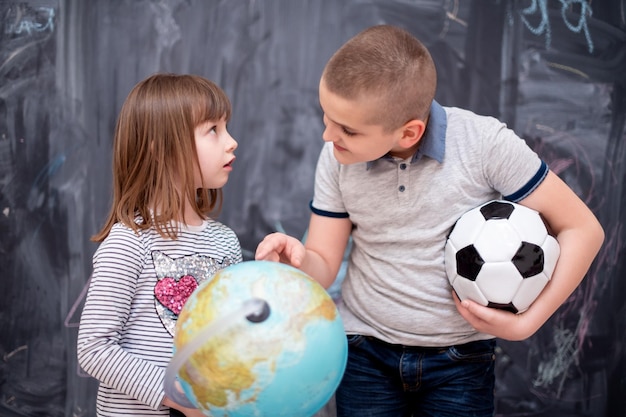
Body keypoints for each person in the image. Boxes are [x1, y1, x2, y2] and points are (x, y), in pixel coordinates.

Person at [255, 25, 605, 417]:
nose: (327, 135)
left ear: (409, 132)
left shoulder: (485, 144)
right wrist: (298, 260)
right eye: (327, 117)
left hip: (460, 363)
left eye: (347, 129)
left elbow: (583, 229)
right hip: (363, 353)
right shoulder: (337, 158)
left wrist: (528, 324)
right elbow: (324, 261)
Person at [77, 73, 242, 417]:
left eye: (226, 127)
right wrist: (174, 395)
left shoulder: (225, 243)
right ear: (163, 149)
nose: (231, 141)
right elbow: (94, 348)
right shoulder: (127, 243)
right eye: (213, 129)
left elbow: (231, 338)